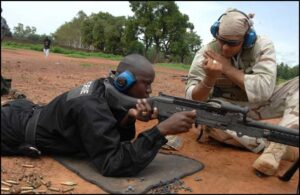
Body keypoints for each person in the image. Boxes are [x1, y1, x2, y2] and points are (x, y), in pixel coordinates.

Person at [1, 53, 197, 177]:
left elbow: (107, 136)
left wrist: (127, 119)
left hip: (25, 112)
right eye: (146, 83)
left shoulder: (102, 87)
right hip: (10, 128)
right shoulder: (92, 105)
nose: (149, 90)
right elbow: (112, 164)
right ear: (124, 81)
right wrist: (161, 131)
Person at [185, 8, 299, 176]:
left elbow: (264, 91)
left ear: (247, 39)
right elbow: (191, 99)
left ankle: (277, 145)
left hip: (261, 104)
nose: (224, 48)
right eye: (221, 40)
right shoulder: (206, 52)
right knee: (208, 120)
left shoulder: (262, 46)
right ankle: (278, 146)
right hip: (226, 109)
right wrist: (209, 79)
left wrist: (228, 69)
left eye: (232, 43)